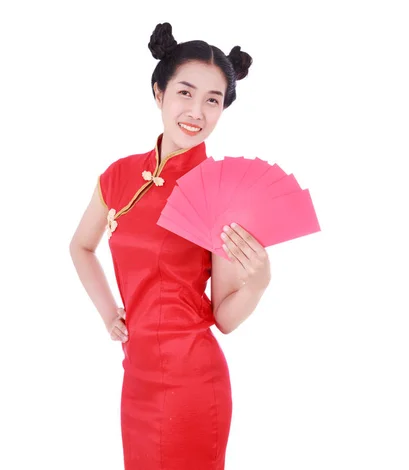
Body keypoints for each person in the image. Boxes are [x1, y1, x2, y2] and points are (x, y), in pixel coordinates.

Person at [69, 22, 271, 470]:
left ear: (222, 110)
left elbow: (224, 317)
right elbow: (82, 247)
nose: (196, 111)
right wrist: (110, 313)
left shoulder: (218, 192)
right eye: (185, 92)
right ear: (158, 92)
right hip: (136, 378)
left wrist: (256, 286)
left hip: (196, 382)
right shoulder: (118, 176)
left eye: (212, 100)